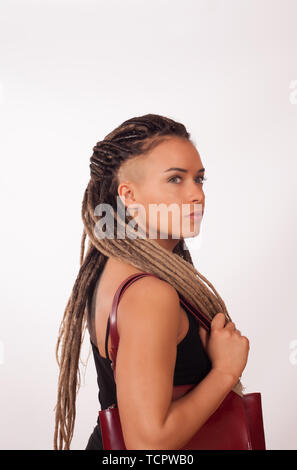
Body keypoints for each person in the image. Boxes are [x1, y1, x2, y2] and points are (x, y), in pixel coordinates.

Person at [53, 113, 249, 450]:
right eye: (175, 179)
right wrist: (225, 373)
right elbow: (148, 444)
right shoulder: (148, 292)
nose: (196, 195)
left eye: (199, 179)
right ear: (128, 194)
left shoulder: (115, 266)